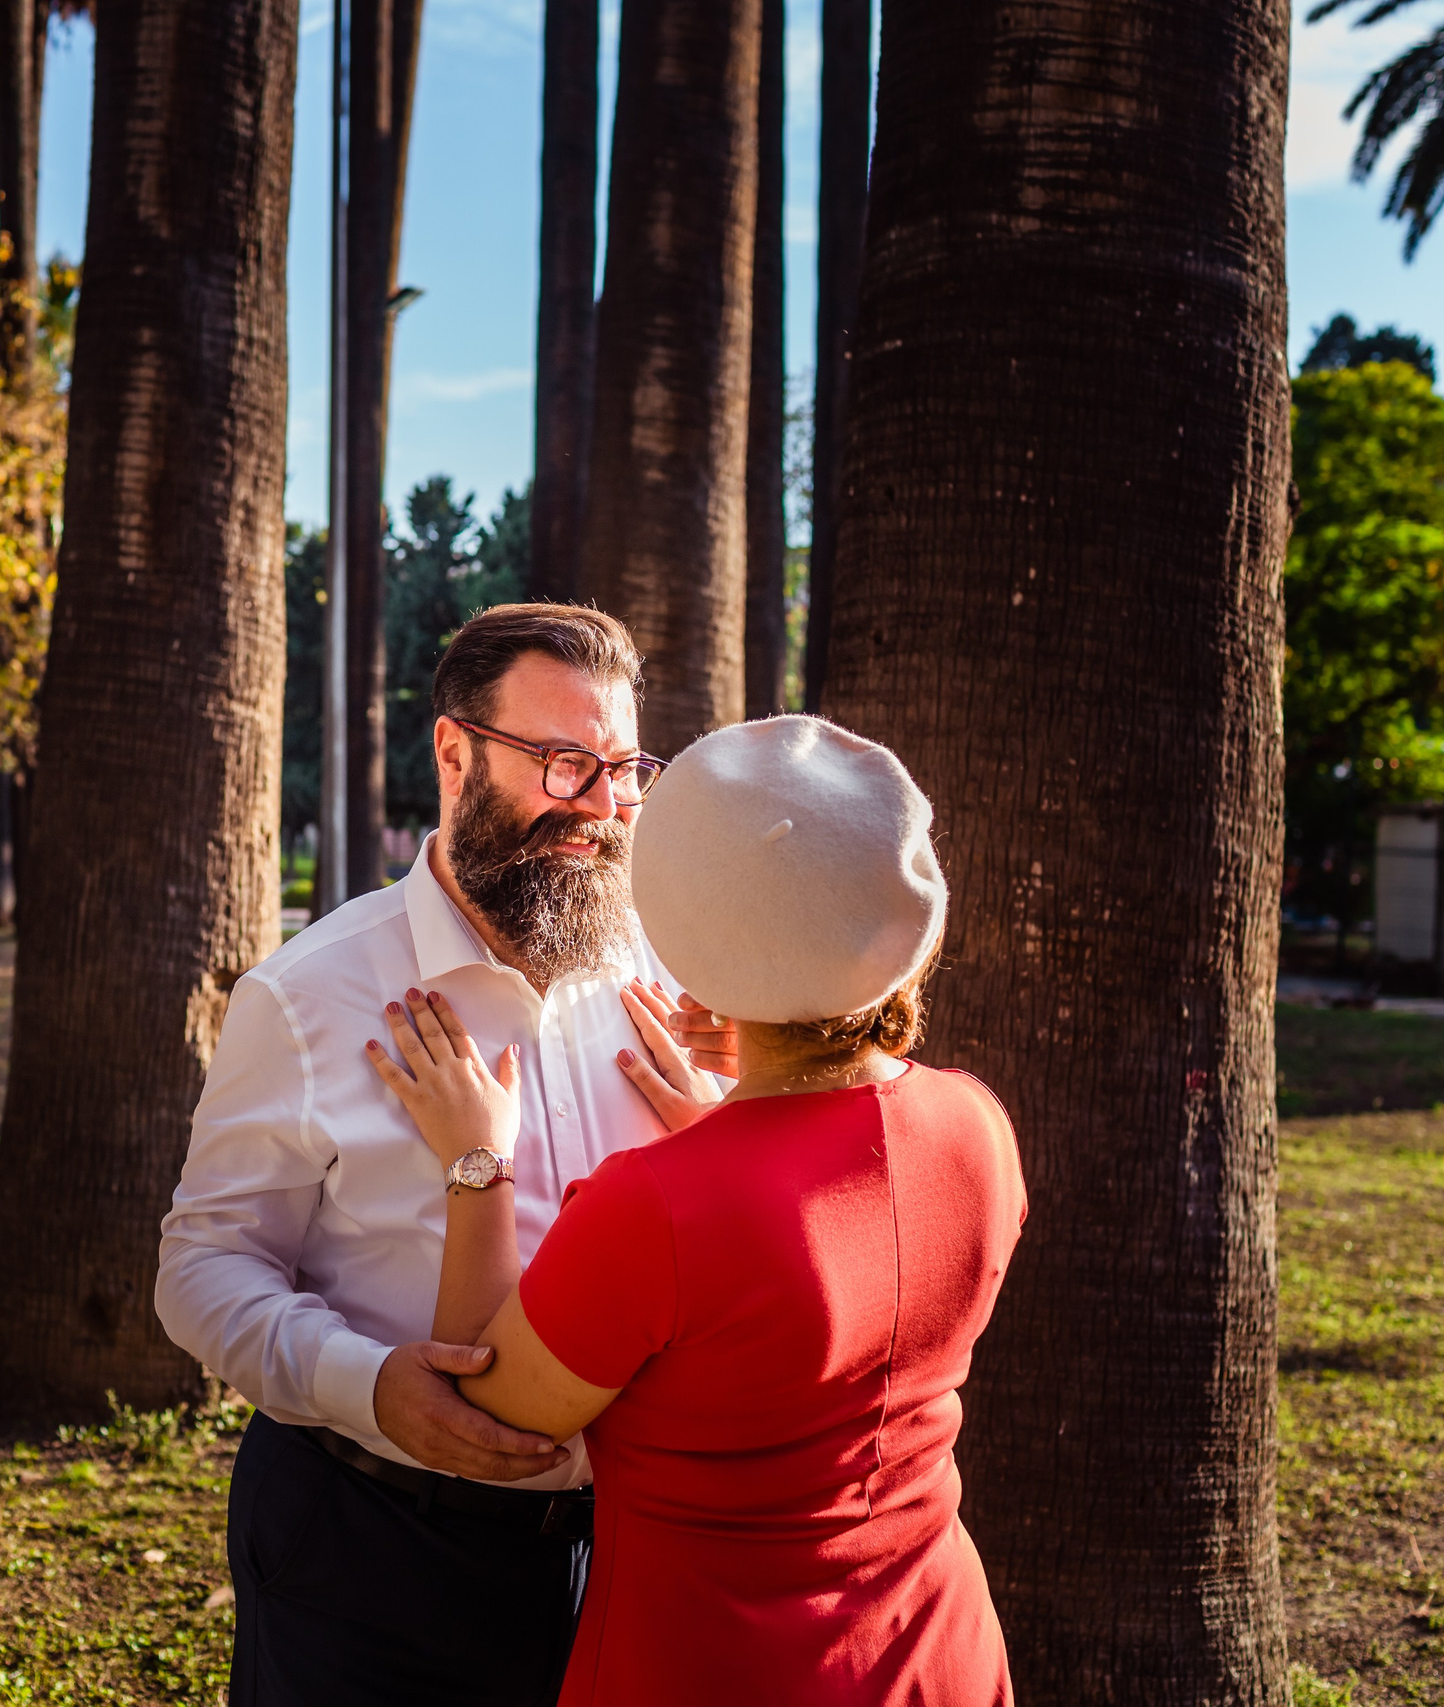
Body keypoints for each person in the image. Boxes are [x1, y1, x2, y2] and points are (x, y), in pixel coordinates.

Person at [369, 715, 1027, 1705]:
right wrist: (728, 1141)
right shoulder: (973, 1124)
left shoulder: (655, 1206)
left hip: (716, 1664)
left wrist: (477, 1160)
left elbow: (487, 1411)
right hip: (934, 1648)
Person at [155, 604, 736, 1706]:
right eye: (565, 765)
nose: (603, 808)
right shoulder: (307, 994)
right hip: (370, 1551)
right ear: (455, 751)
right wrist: (371, 1386)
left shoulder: (668, 972)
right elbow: (202, 1273)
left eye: (624, 769)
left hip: (625, 1555)